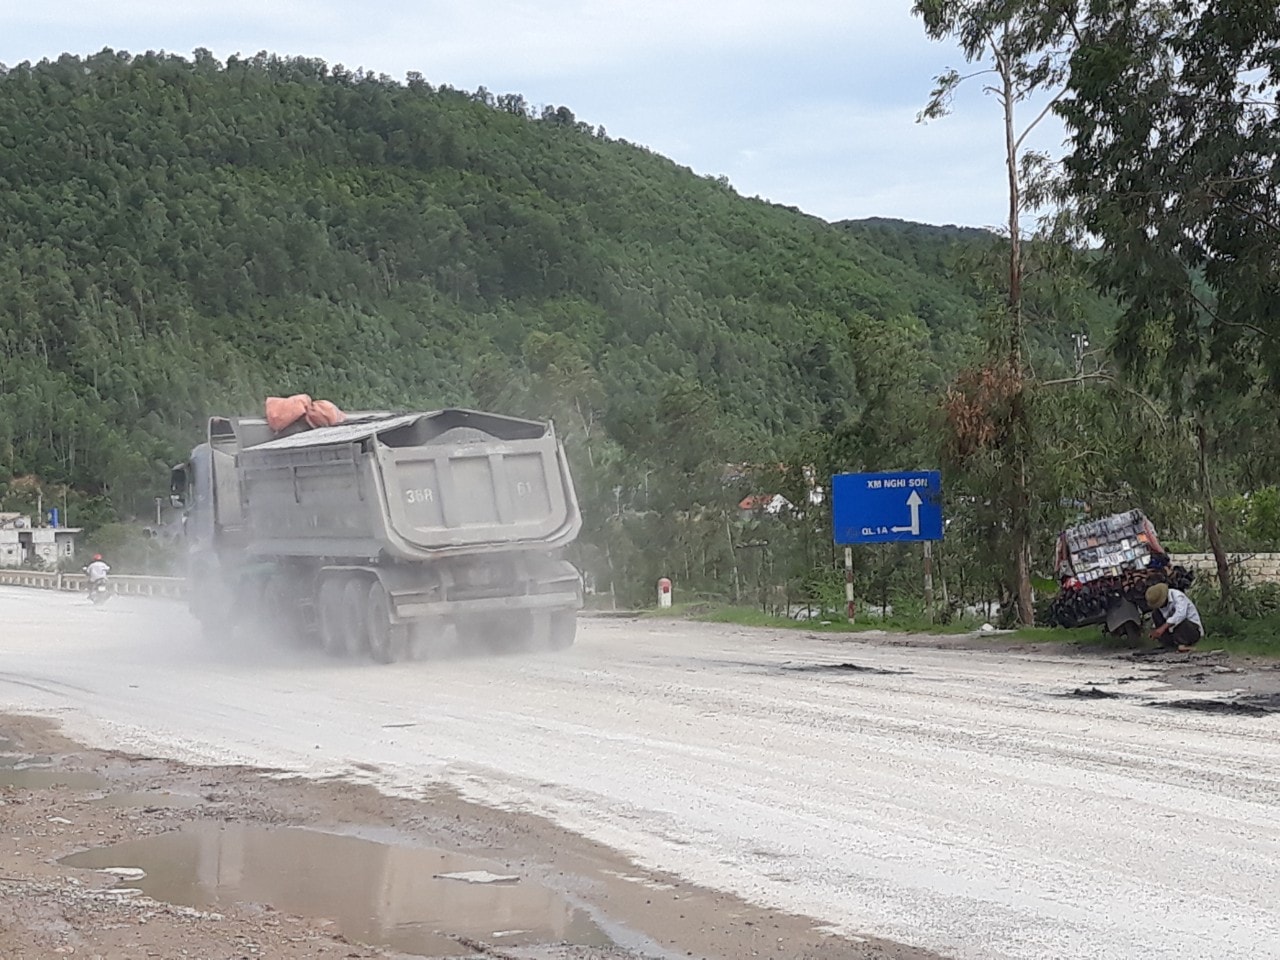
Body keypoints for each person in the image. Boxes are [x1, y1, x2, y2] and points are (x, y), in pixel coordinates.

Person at [1145, 582, 1203, 652]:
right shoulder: (1159, 609)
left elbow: (1180, 614)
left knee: (1180, 621)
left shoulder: (1178, 596)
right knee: (1156, 614)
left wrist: (1163, 627)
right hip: (1173, 632)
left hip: (1191, 629)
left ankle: (1184, 645)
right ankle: (1168, 643)